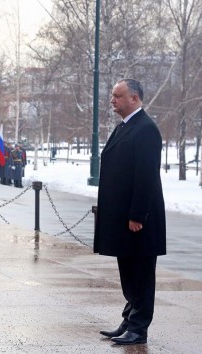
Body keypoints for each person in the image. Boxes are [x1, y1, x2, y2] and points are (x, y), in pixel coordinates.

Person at [94, 79, 166, 345]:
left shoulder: (146, 129)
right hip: (122, 217)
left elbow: (146, 176)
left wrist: (137, 215)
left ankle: (139, 328)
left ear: (134, 98)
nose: (112, 100)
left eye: (117, 96)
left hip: (139, 219)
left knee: (142, 274)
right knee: (128, 271)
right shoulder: (126, 126)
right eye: (112, 95)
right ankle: (129, 319)